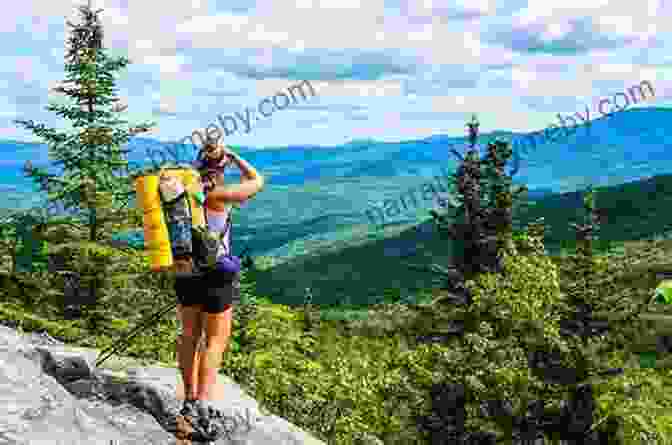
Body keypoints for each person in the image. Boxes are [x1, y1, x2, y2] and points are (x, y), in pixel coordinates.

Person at [174, 141, 264, 441]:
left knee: (189, 335)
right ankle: (204, 404)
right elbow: (257, 182)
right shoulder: (218, 195)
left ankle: (188, 400)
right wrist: (236, 157)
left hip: (185, 270)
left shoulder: (182, 192)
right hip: (215, 274)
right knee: (215, 340)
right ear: (221, 167)